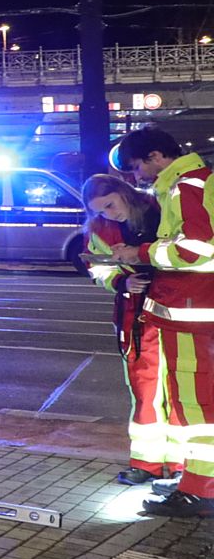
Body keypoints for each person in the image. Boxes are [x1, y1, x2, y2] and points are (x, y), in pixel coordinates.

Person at [100, 126, 214, 519]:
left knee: (197, 407)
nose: (137, 176)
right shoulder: (195, 183)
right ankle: (193, 481)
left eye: (136, 166)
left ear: (155, 157)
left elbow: (196, 249)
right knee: (191, 403)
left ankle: (202, 490)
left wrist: (142, 251)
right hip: (192, 312)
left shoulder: (187, 187)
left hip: (193, 314)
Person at [81, 173, 179, 486]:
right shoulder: (100, 229)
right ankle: (147, 464)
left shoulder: (160, 208)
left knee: (180, 389)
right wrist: (122, 281)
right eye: (100, 211)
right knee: (144, 388)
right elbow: (98, 268)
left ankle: (182, 466)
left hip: (174, 309)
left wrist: (140, 256)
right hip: (134, 313)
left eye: (110, 205)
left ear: (123, 192)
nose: (109, 214)